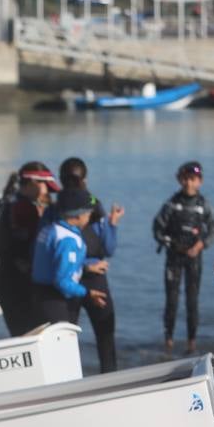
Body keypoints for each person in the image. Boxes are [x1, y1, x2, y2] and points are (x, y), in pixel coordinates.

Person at [45, 157, 124, 372]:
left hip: (66, 281)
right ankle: (112, 384)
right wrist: (113, 224)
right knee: (105, 335)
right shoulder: (94, 206)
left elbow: (47, 249)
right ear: (86, 180)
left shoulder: (52, 210)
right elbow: (108, 248)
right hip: (93, 278)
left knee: (65, 338)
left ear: (61, 180)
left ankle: (68, 383)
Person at [152, 160, 214, 355]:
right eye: (186, 179)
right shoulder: (172, 204)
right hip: (174, 258)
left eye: (193, 179)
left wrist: (200, 245)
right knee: (171, 301)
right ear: (180, 180)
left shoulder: (203, 205)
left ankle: (192, 342)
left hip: (194, 259)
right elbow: (157, 227)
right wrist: (170, 243)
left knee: (192, 301)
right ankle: (169, 341)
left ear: (200, 181)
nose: (189, 183)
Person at [0, 162, 61, 336]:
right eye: (44, 186)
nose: (46, 192)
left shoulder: (9, 202)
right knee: (29, 337)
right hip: (16, 282)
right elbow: (29, 243)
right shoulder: (24, 208)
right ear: (32, 183)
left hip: (4, 277)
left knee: (21, 335)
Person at [31, 187, 109, 326]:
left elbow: (52, 264)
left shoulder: (49, 229)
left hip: (39, 294)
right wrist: (87, 293)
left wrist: (85, 268)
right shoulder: (68, 240)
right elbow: (61, 281)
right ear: (79, 215)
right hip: (54, 300)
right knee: (63, 344)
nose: (89, 217)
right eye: (88, 213)